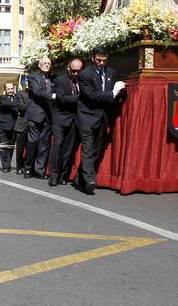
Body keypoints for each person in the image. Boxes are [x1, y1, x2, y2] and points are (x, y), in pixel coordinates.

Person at [74, 47, 120, 195]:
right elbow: (91, 95)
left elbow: (111, 96)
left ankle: (80, 176)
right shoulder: (85, 74)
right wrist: (112, 94)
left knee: (96, 149)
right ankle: (89, 180)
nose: (101, 62)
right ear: (93, 58)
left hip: (102, 118)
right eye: (99, 59)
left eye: (104, 60)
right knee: (87, 149)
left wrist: (118, 92)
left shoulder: (111, 72)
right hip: (87, 116)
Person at [46, 58, 82, 187]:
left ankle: (63, 175)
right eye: (73, 71)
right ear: (68, 68)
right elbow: (62, 99)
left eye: (78, 71)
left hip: (75, 119)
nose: (76, 74)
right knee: (58, 145)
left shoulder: (81, 81)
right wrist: (83, 97)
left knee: (68, 148)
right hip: (60, 118)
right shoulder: (60, 80)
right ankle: (53, 175)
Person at [24, 55, 53, 178]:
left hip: (48, 116)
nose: (47, 65)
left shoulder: (53, 77)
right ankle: (28, 167)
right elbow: (36, 91)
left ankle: (39, 170)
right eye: (45, 63)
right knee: (33, 142)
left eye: (48, 63)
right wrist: (53, 96)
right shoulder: (33, 77)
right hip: (35, 115)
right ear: (39, 65)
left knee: (44, 144)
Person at [0, 81, 22, 172]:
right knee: (3, 147)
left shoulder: (16, 98)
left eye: (11, 88)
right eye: (8, 89)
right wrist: (16, 104)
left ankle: (8, 163)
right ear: (5, 90)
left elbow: (18, 108)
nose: (10, 90)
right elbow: (4, 104)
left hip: (14, 127)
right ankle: (5, 166)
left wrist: (15, 105)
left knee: (10, 147)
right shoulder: (1, 97)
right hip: (2, 126)